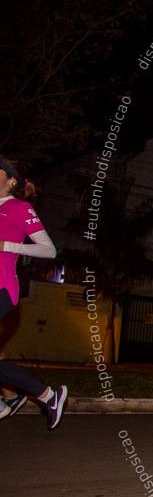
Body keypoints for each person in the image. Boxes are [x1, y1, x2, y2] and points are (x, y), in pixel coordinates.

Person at [0, 158, 67, 428]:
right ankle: (47, 395)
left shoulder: (19, 208)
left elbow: (48, 250)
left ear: (11, 181)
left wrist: (6, 245)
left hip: (2, 288)